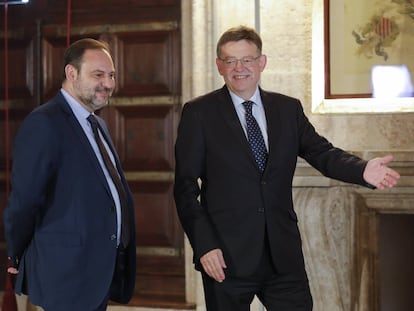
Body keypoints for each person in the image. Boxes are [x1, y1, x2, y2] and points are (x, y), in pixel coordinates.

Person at [173, 25, 400, 311]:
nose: (239, 67)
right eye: (230, 60)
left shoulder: (287, 109)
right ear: (219, 66)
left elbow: (321, 152)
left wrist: (362, 169)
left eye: (247, 59)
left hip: (282, 255)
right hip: (226, 256)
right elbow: (185, 189)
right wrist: (205, 245)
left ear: (262, 62)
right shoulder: (199, 113)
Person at [3, 38, 136, 310]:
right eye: (98, 74)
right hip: (65, 274)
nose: (109, 83)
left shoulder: (98, 123)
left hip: (98, 273)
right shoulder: (44, 123)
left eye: (111, 75)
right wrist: (16, 255)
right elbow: (24, 201)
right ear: (71, 73)